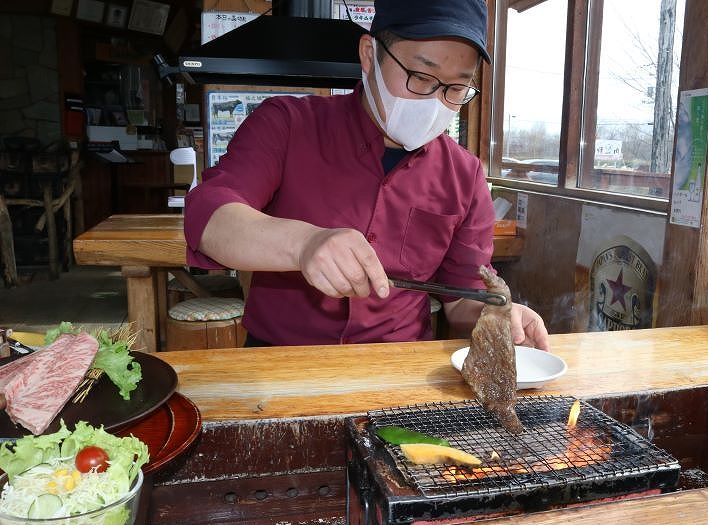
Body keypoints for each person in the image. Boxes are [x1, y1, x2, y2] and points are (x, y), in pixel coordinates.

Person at [184, 0, 550, 350]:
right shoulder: (288, 124)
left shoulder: (464, 176)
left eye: (455, 89)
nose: (435, 100)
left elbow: (461, 300)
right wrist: (304, 244)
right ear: (370, 54)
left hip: (395, 367)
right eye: (420, 77)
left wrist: (497, 315)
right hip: (280, 357)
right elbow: (209, 218)